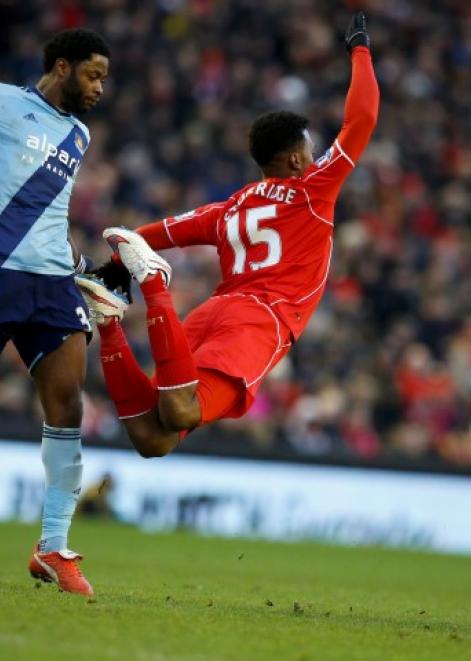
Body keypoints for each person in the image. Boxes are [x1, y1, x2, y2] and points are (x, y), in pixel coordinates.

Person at [78, 12, 379, 460]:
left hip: (213, 312)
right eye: (310, 151)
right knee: (180, 414)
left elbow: (155, 233)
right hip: (258, 323)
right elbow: (363, 118)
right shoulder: (314, 190)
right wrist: (360, 50)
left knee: (151, 437)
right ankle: (157, 287)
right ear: (295, 161)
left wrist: (114, 263)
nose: (316, 157)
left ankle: (108, 323)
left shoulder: (231, 206)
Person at [0, 28, 110, 595]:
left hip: (51, 281)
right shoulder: (4, 103)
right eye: (93, 75)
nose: (99, 88)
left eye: (105, 79)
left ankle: (52, 548)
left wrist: (76, 262)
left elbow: (51, 208)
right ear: (61, 67)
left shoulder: (79, 134)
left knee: (68, 403)